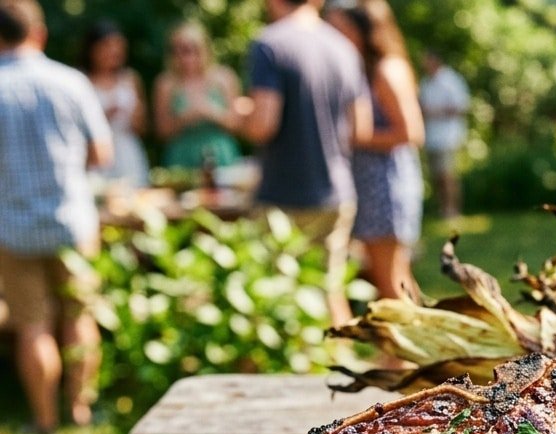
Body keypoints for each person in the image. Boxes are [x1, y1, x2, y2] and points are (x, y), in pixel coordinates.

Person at [0, 0, 110, 434]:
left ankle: (44, 420)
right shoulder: (70, 82)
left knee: (32, 326)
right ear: (39, 33)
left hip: (13, 226)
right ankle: (81, 411)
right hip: (72, 223)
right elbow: (102, 153)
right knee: (80, 316)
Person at [237, 0, 371, 328]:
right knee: (329, 292)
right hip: (336, 194)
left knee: (275, 300)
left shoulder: (269, 44)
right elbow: (361, 128)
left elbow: (263, 124)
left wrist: (239, 114)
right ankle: (338, 373)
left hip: (283, 199)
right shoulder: (344, 46)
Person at [326, 0, 424, 303]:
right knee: (395, 277)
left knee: (389, 280)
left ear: (361, 31)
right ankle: (422, 346)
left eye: (338, 29)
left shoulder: (386, 70)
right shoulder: (364, 69)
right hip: (371, 187)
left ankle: (404, 350)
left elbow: (412, 132)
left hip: (386, 186)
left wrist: (353, 137)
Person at [153, 21, 242, 172]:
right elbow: (161, 132)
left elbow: (238, 124)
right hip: (180, 160)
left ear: (203, 48)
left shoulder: (224, 77)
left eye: (190, 49)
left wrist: (210, 112)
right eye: (178, 50)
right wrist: (186, 118)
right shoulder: (165, 83)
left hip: (221, 156)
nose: (185, 56)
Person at [81, 18, 149, 188]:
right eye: (106, 45)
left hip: (128, 152)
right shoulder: (81, 81)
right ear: (92, 49)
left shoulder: (131, 79)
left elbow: (143, 128)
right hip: (97, 153)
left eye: (117, 45)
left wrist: (136, 117)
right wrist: (103, 117)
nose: (113, 51)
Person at [418, 50, 468, 219]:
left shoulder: (451, 81)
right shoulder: (426, 82)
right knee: (437, 177)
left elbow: (461, 107)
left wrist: (434, 111)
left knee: (447, 174)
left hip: (448, 136)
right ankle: (443, 209)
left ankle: (453, 210)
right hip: (431, 136)